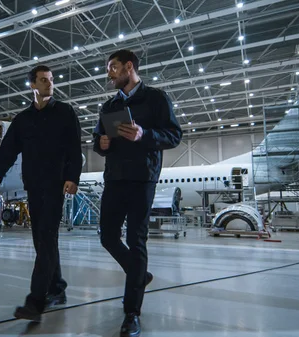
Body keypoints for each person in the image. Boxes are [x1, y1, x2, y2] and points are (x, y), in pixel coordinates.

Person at [93, 49, 182, 337]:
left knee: (136, 239)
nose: (109, 73)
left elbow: (173, 135)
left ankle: (132, 313)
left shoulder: (156, 98)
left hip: (143, 178)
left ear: (128, 67)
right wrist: (102, 143)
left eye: (113, 68)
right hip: (115, 178)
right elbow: (97, 140)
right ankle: (139, 275)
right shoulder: (109, 106)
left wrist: (145, 135)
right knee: (107, 235)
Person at [0, 64, 82, 322]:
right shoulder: (23, 120)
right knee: (42, 241)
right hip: (33, 184)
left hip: (55, 185)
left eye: (51, 79)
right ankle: (57, 288)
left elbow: (75, 148)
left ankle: (35, 300)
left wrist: (73, 177)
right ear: (32, 85)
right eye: (43, 80)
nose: (49, 84)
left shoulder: (64, 112)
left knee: (47, 239)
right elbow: (8, 149)